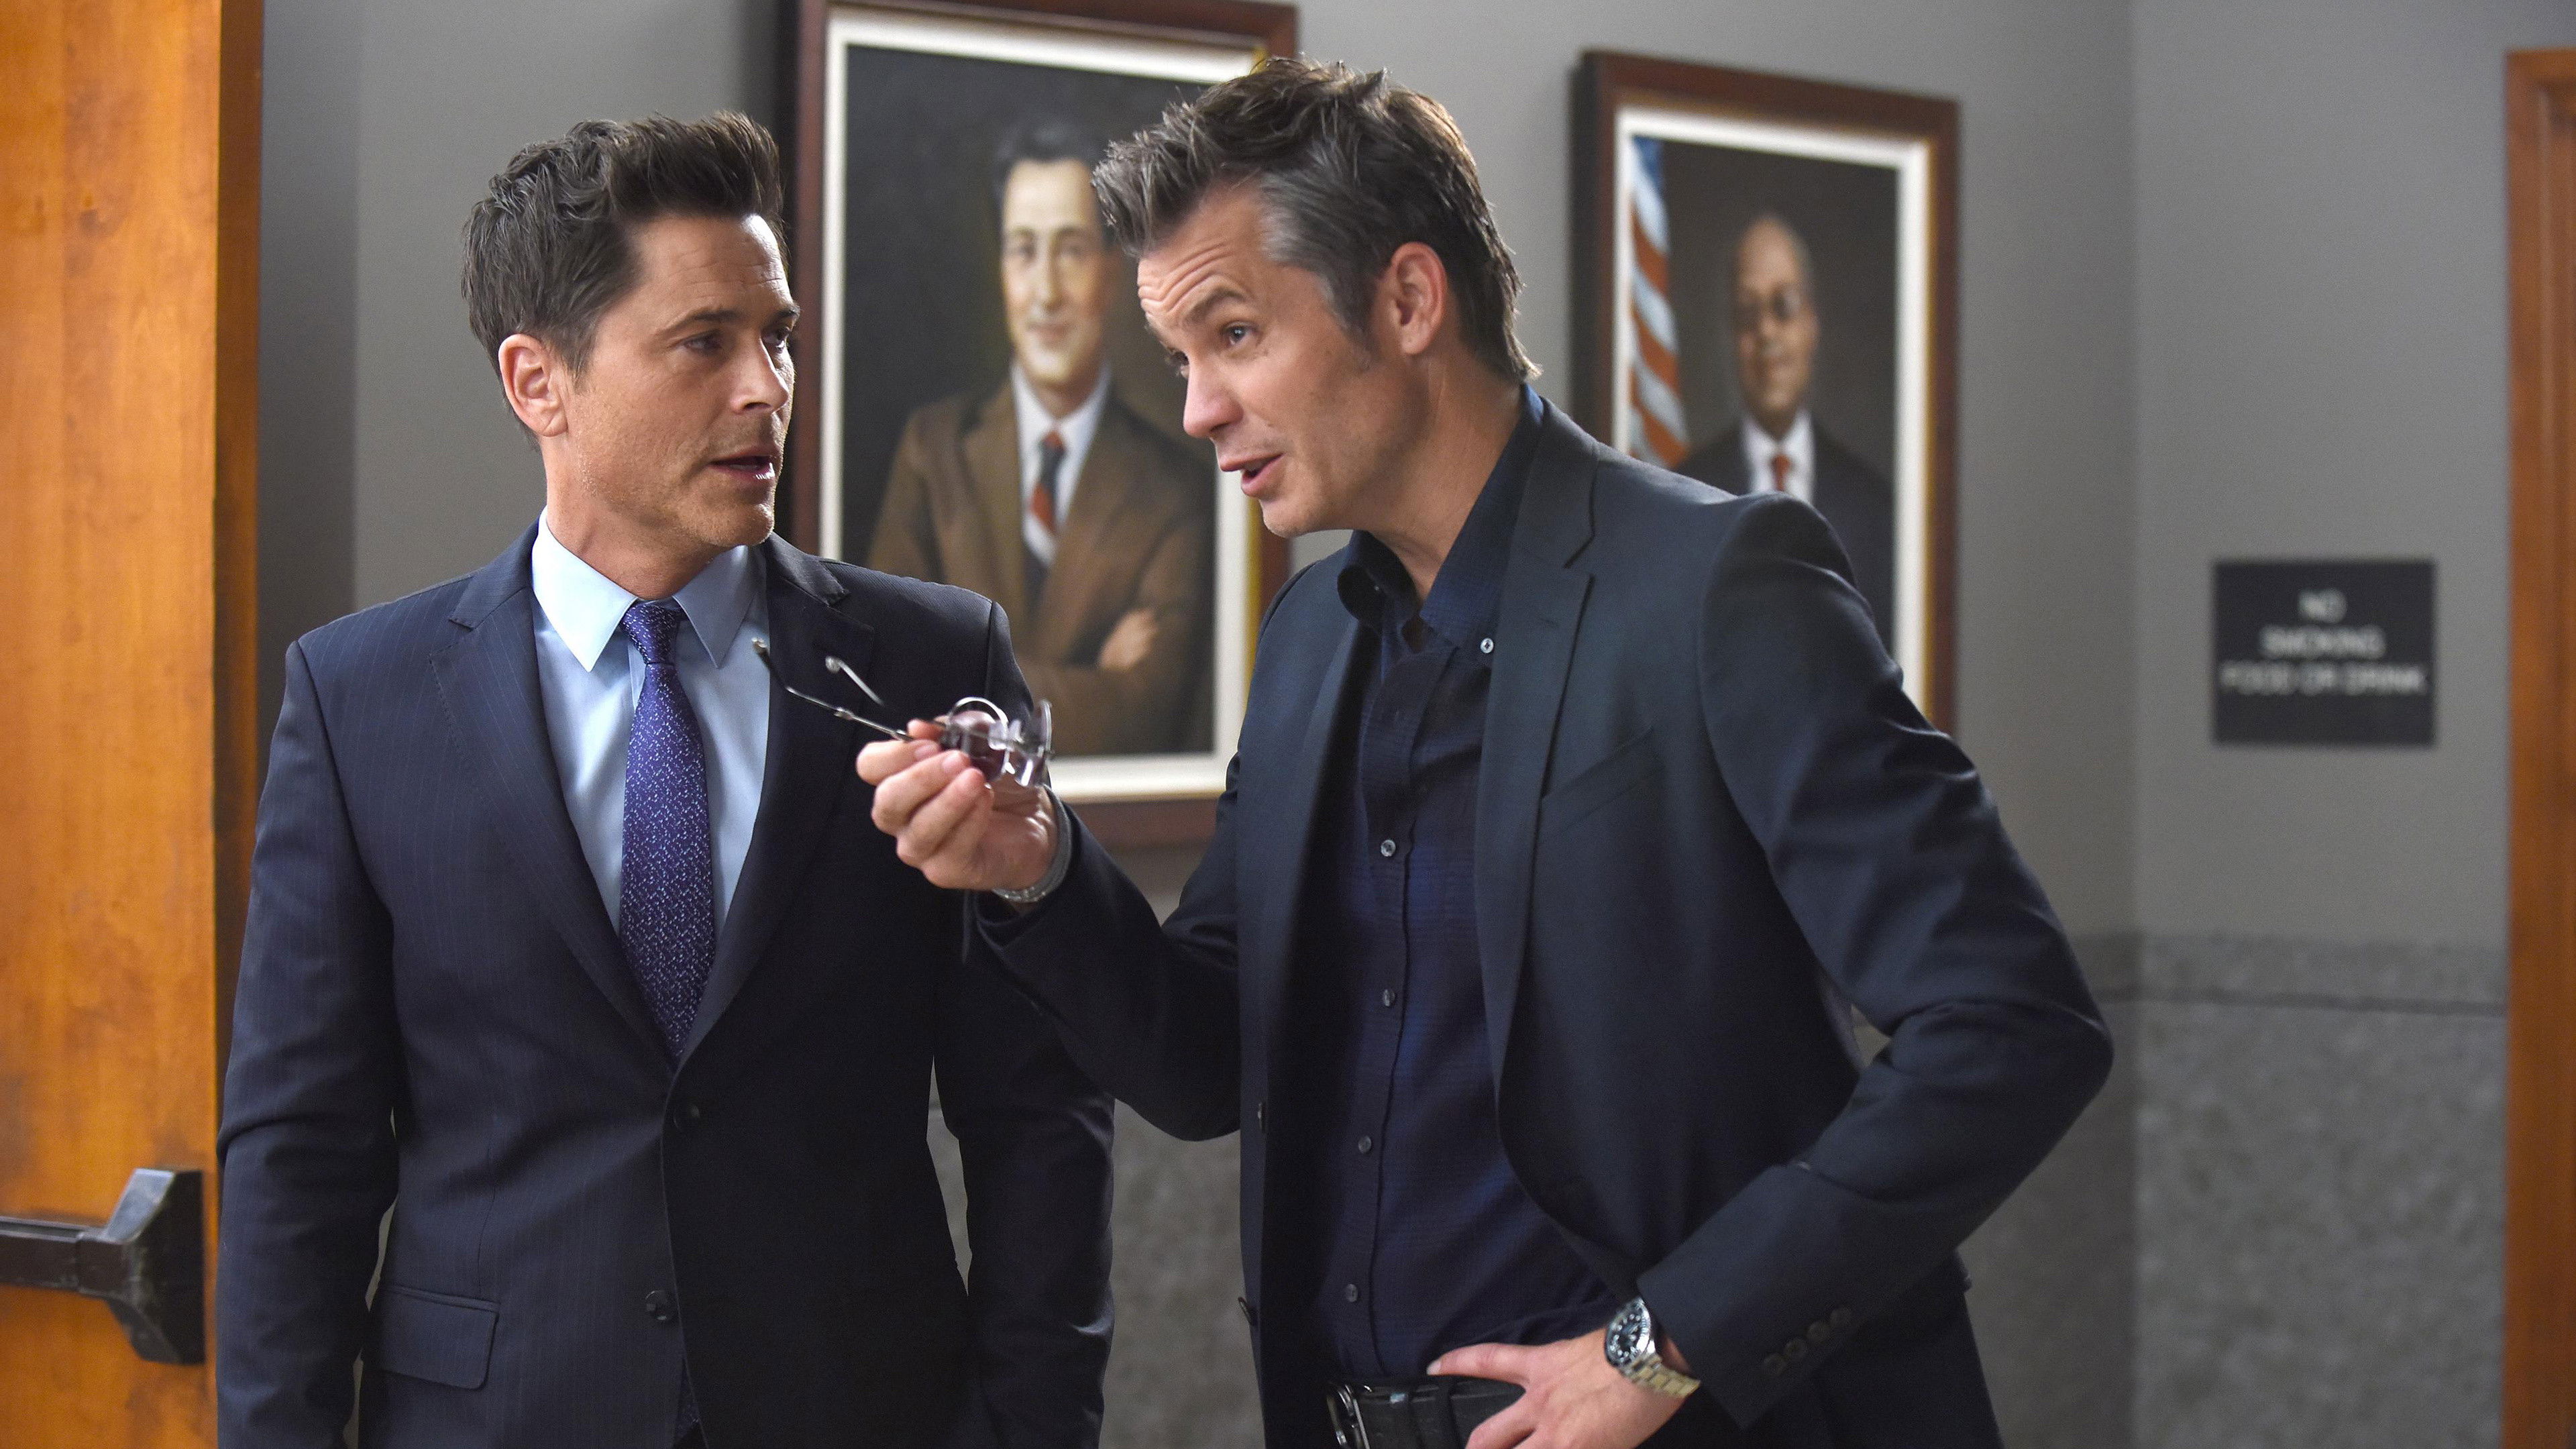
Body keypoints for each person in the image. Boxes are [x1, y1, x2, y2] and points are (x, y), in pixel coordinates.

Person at [860, 61, 2111, 1449]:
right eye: (1180, 360)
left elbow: (2012, 1023)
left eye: (1235, 335)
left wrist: (1662, 1347)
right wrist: (1037, 868)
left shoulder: (1720, 589)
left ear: (1408, 300)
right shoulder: (1311, 641)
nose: (1199, 406)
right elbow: (1207, 1059)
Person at [216, 113, 1114, 1449]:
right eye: (704, 343)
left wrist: (1030, 1429)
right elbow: (301, 1153)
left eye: (778, 337)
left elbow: (1037, 1109)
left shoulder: (934, 659)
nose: (767, 389)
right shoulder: (360, 701)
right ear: (539, 382)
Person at [869, 117, 1214, 757]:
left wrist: (963, 685)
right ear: (1001, 268)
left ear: (1112, 272)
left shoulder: (1177, 488)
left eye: (1072, 250)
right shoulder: (933, 449)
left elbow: (1147, 714)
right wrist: (1096, 686)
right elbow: (892, 676)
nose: (1047, 293)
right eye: (1024, 251)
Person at [1677, 214, 1898, 652]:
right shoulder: (1684, 496)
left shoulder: (1874, 505)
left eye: (1784, 306)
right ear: (1731, 336)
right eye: (1748, 313)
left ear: (1812, 324)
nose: (1766, 333)